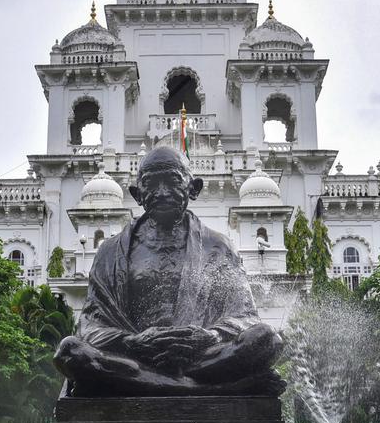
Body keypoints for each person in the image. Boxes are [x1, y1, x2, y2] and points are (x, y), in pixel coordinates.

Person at [54, 147, 284, 397]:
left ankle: (152, 384)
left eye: (173, 181)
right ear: (137, 193)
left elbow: (245, 316)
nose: (162, 193)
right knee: (70, 352)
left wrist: (210, 335)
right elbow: (91, 325)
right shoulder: (110, 252)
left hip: (198, 356)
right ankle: (205, 389)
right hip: (134, 356)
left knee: (267, 339)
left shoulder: (218, 246)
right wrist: (134, 342)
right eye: (150, 183)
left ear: (193, 188)